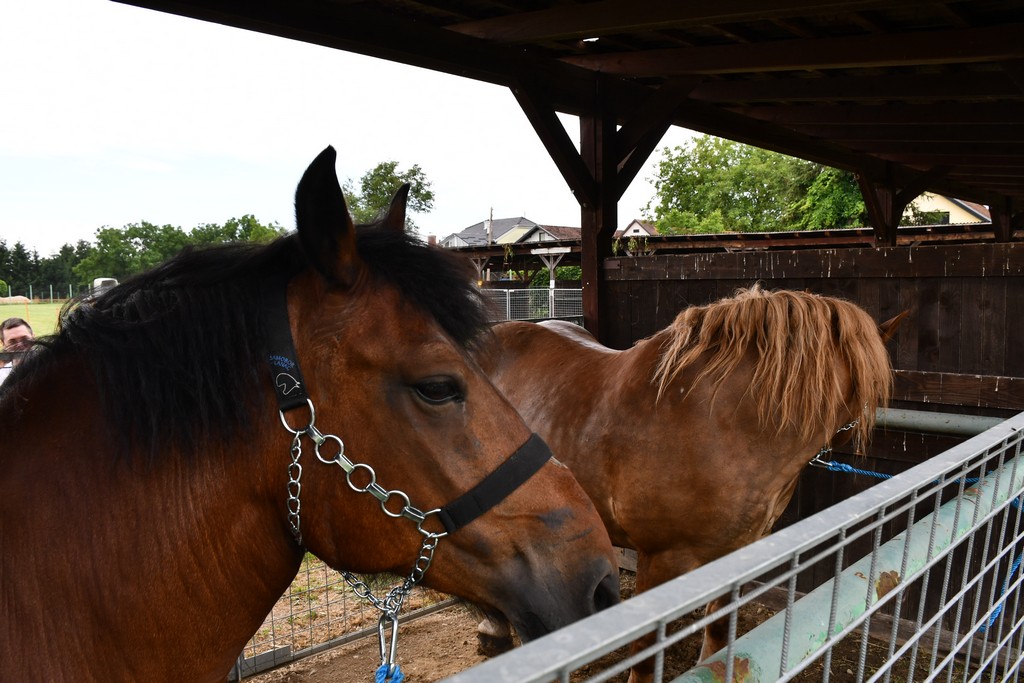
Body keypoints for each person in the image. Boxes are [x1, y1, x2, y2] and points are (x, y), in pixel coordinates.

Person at [0, 317, 34, 386]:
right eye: (12, 342)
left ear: (33, 337)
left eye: (25, 339)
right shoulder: (2, 377)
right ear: (3, 344)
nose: (20, 345)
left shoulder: (50, 365)